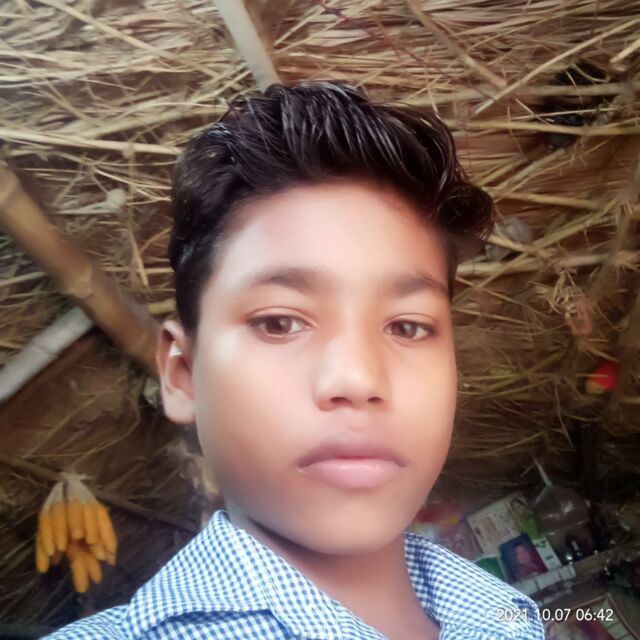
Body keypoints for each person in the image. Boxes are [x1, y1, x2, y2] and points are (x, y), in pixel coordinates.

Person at [45, 80, 544, 639]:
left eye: (408, 326)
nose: (357, 378)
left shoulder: (505, 614)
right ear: (183, 375)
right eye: (279, 322)